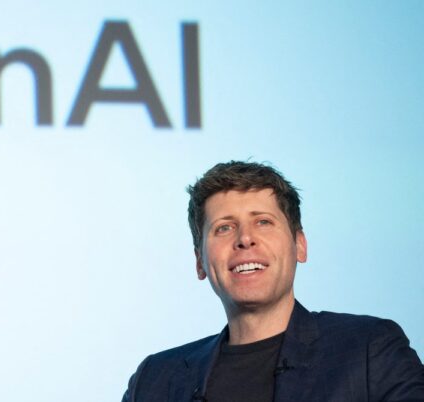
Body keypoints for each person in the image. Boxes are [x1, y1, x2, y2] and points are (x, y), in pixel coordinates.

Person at [122, 161, 424, 402]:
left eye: (263, 222)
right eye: (224, 228)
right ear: (200, 262)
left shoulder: (369, 349)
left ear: (299, 245)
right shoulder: (154, 380)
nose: (245, 239)